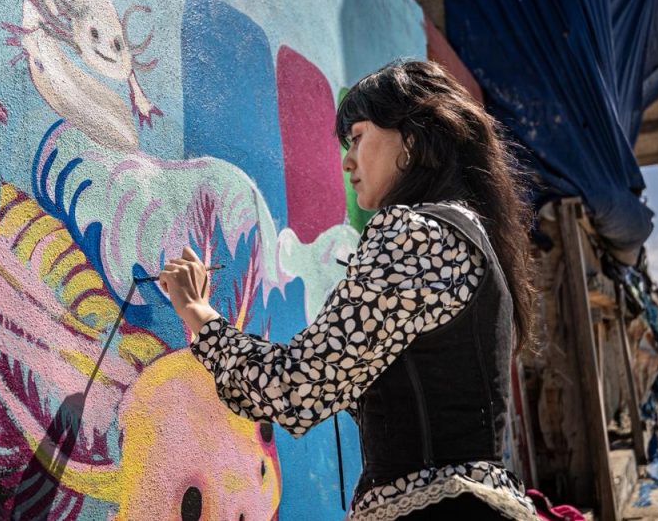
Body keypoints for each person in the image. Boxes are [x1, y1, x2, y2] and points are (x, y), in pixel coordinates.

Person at [159, 60, 539, 519]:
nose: (347, 161)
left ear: (411, 140)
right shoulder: (469, 237)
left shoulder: (414, 235)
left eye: (358, 137)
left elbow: (298, 386)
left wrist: (199, 314)